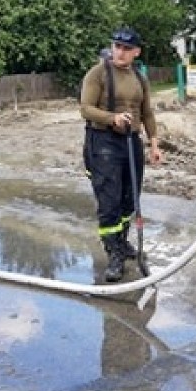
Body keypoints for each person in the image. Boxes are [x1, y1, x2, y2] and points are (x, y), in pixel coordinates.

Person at [80, 27, 164, 282]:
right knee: (109, 201)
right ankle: (113, 253)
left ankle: (123, 240)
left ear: (136, 52)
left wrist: (154, 143)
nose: (120, 52)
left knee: (130, 198)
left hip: (131, 142)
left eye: (127, 48)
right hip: (103, 141)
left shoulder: (140, 77)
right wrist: (112, 118)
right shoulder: (98, 74)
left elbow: (147, 112)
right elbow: (85, 108)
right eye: (117, 46)